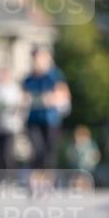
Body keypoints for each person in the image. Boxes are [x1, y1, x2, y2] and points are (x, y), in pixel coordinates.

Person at [22, 47, 71, 188]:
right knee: (37, 149)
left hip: (51, 120)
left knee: (50, 151)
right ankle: (35, 181)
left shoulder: (54, 75)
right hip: (33, 119)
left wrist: (51, 98)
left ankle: (47, 181)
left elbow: (64, 95)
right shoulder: (29, 79)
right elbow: (23, 97)